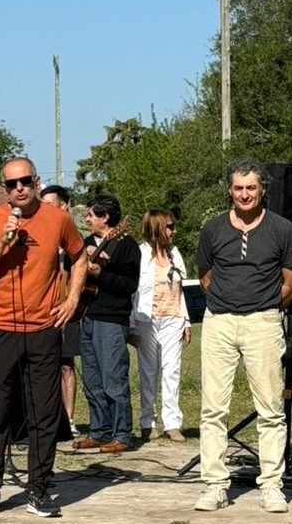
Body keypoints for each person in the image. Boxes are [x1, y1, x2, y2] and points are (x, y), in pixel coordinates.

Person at [0, 157, 86, 519]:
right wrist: (2, 243)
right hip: (0, 326)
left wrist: (72, 298)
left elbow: (79, 257)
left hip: (43, 327)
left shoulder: (57, 218)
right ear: (4, 189)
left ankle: (39, 487)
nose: (19, 188)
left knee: (44, 411)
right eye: (11, 184)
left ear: (35, 181)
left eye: (25, 181)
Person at [194, 158, 292, 514]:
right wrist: (227, 303)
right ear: (230, 190)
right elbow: (206, 275)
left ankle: (272, 485)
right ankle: (214, 485)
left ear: (263, 191)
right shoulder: (212, 229)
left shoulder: (282, 228)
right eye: (239, 188)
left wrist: (268, 308)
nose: (244, 194)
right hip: (220, 322)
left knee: (271, 408)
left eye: (251, 188)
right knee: (213, 408)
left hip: (263, 323)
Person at [73, 194, 140, 454]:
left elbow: (129, 285)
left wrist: (102, 273)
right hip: (86, 315)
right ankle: (99, 431)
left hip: (112, 319)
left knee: (114, 378)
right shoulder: (87, 242)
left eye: (91, 214)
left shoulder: (126, 245)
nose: (87, 219)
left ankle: (122, 434)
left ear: (106, 218)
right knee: (92, 379)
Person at [129, 210, 192, 443]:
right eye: (169, 226)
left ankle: (172, 423)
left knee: (172, 371)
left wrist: (186, 321)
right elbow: (133, 293)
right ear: (156, 228)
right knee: (148, 371)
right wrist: (132, 326)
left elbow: (180, 289)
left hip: (173, 318)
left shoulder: (175, 253)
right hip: (147, 319)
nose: (173, 231)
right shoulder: (140, 253)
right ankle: (147, 421)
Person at [40, 184, 81, 437]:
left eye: (50, 205)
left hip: (66, 308)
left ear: (64, 206)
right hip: (41, 308)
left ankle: (69, 418)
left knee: (66, 364)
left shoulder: (74, 235)